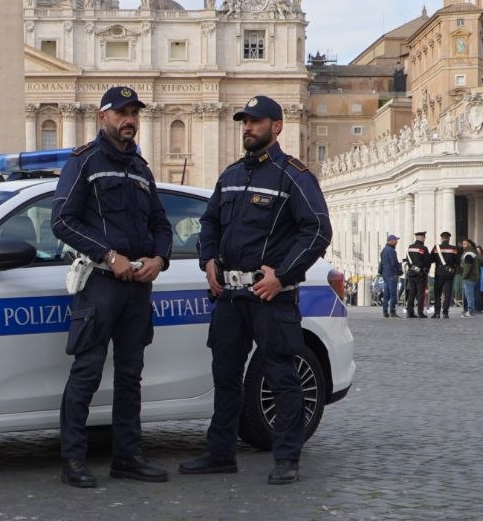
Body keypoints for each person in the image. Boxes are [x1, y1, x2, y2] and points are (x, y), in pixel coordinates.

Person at [179, 95, 332, 486]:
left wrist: (282, 275)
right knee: (225, 373)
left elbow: (317, 230)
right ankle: (220, 453)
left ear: (276, 127)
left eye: (256, 122)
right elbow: (209, 222)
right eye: (245, 121)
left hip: (270, 296)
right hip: (230, 296)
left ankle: (286, 458)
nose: (248, 127)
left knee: (282, 375)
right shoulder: (230, 175)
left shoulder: (294, 175)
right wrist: (208, 260)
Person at [51, 85, 173, 489]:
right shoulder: (84, 162)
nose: (130, 119)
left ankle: (128, 457)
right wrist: (108, 256)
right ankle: (73, 460)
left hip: (138, 286)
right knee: (86, 373)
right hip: (101, 285)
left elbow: (160, 224)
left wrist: (159, 259)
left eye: (134, 112)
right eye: (122, 113)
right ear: (102, 118)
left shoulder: (141, 169)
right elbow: (63, 220)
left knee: (130, 375)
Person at [430, 231, 459, 318]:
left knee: (437, 293)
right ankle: (445, 312)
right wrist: (453, 269)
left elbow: (431, 259)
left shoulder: (436, 248)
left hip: (439, 273)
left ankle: (437, 312)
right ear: (449, 238)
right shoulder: (454, 249)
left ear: (442, 238)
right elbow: (457, 261)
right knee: (448, 293)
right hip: (449, 273)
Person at [403, 231, 430, 318]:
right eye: (424, 237)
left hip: (411, 273)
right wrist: (425, 271)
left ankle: (410, 312)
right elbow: (427, 262)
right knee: (420, 294)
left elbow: (408, 260)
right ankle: (420, 312)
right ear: (422, 238)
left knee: (411, 293)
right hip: (420, 274)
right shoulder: (424, 248)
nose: (424, 239)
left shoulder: (410, 247)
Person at [378, 235, 402, 318]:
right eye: (396, 240)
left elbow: (382, 263)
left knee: (386, 295)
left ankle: (385, 311)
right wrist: (399, 270)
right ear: (391, 240)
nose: (397, 242)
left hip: (385, 275)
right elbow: (393, 263)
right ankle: (392, 311)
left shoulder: (384, 250)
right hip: (392, 274)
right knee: (393, 294)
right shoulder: (391, 251)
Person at [458, 239, 480, 317]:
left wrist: (464, 276)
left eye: (465, 244)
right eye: (463, 244)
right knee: (470, 295)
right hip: (473, 276)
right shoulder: (473, 252)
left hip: (469, 277)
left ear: (469, 244)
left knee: (469, 295)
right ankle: (470, 311)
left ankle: (470, 312)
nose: (463, 246)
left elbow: (467, 266)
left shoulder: (469, 253)